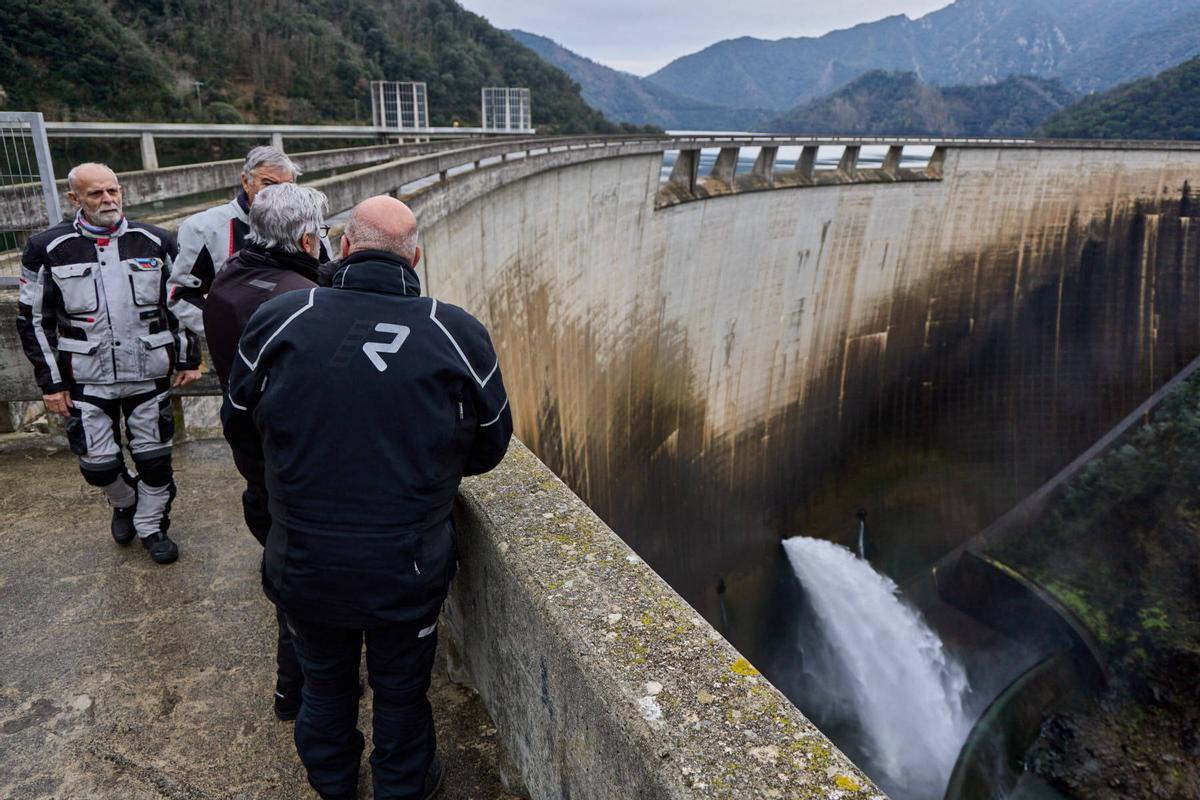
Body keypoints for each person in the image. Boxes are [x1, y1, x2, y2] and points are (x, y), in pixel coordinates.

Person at [222, 196, 512, 800]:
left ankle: (333, 783)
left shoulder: (281, 318)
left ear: (345, 247)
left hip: (304, 558)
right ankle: (402, 786)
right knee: (402, 691)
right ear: (416, 258)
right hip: (407, 566)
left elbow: (239, 423)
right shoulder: (454, 331)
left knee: (325, 684)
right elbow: (490, 445)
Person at [15, 163, 202, 564]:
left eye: (112, 191)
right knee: (97, 466)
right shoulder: (47, 248)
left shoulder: (155, 240)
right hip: (86, 377)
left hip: (148, 371)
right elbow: (32, 320)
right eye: (96, 193)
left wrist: (189, 358)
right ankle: (124, 501)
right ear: (75, 198)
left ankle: (152, 526)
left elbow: (182, 304)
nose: (107, 200)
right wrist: (51, 383)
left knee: (154, 460)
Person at [203, 182, 329, 722]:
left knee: (287, 578)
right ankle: (293, 693)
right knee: (302, 593)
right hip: (294, 469)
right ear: (306, 240)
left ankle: (294, 690)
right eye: (321, 233)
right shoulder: (296, 303)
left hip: (254, 457)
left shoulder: (228, 279)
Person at [167, 145, 332, 336]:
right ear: (246, 182)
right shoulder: (204, 228)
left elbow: (328, 280)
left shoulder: (311, 226)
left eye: (287, 185)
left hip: (302, 334)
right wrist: (232, 332)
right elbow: (180, 294)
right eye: (269, 184)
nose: (278, 193)